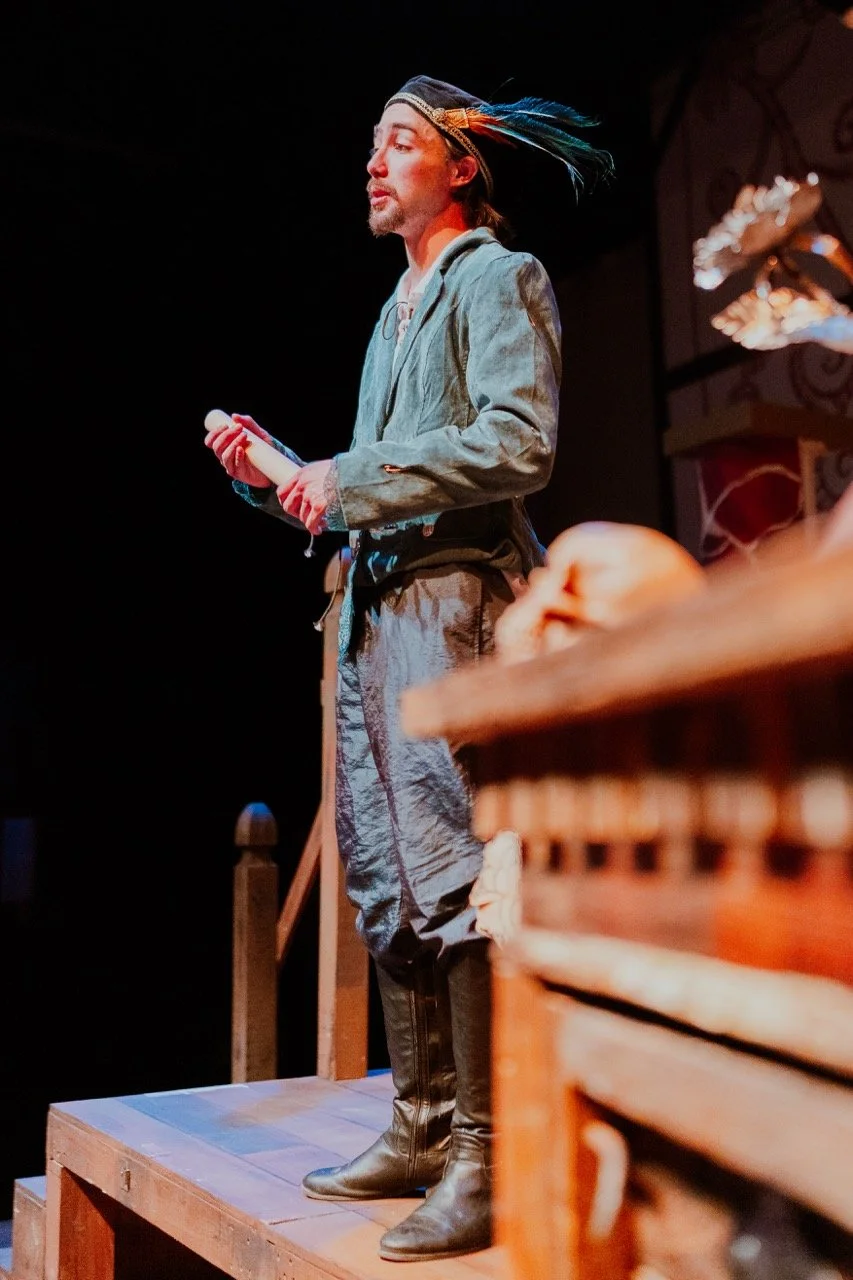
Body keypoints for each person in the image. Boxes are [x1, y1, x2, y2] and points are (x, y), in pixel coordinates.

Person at [204, 72, 612, 1262]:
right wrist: (284, 479)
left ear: (461, 165)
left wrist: (348, 474)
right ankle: (422, 1120)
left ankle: (485, 1152)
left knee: (447, 868)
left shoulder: (497, 276)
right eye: (369, 143)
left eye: (398, 141)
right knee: (384, 872)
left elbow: (516, 441)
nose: (374, 161)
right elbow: (371, 483)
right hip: (374, 608)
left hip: (453, 606)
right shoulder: (395, 309)